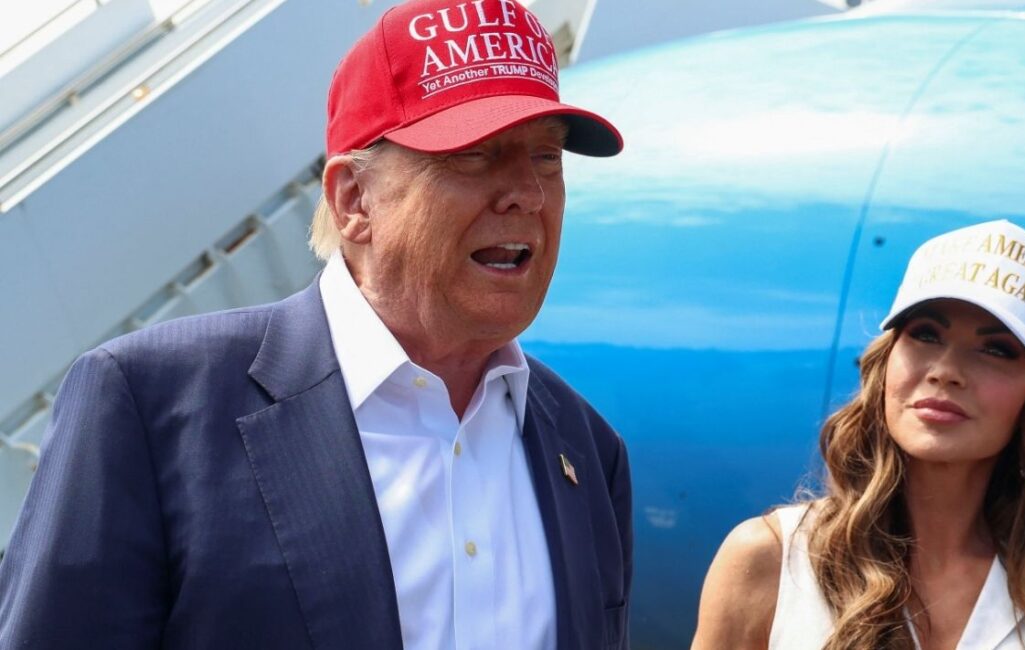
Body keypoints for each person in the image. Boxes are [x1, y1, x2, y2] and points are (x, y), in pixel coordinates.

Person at [0, 1, 632, 648]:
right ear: (354, 199)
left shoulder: (588, 449)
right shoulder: (150, 406)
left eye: (547, 157)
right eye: (474, 155)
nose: (527, 193)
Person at [691, 220, 1025, 650]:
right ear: (885, 364)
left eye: (996, 349)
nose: (946, 371)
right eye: (926, 335)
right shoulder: (770, 561)